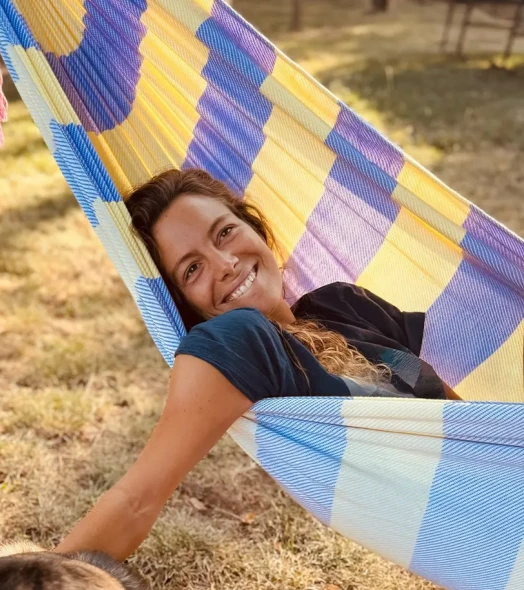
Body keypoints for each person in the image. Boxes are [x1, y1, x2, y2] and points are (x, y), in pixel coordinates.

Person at [57, 168, 457, 561]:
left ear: (254, 227)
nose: (226, 263)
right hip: (463, 510)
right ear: (184, 303)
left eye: (225, 232)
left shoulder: (342, 302)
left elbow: (468, 414)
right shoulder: (240, 341)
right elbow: (135, 501)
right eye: (192, 269)